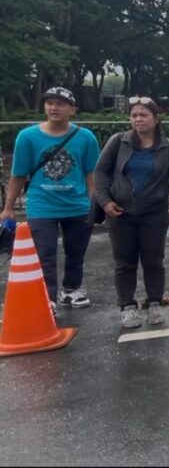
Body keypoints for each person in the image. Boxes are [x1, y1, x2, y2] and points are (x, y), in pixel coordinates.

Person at [94, 97, 169, 328]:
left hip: (154, 213)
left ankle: (155, 301)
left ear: (156, 119)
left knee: (154, 260)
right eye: (134, 115)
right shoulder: (118, 142)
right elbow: (100, 174)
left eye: (143, 115)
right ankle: (127, 305)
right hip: (120, 213)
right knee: (124, 262)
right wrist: (105, 201)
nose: (138, 119)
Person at [1, 87, 101, 315]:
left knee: (76, 251)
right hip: (42, 205)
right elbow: (18, 174)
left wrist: (95, 201)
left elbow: (91, 172)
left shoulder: (85, 138)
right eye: (50, 103)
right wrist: (8, 208)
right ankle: (49, 298)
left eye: (61, 104)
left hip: (77, 204)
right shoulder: (27, 137)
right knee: (44, 253)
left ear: (73, 110)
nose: (54, 108)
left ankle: (72, 289)